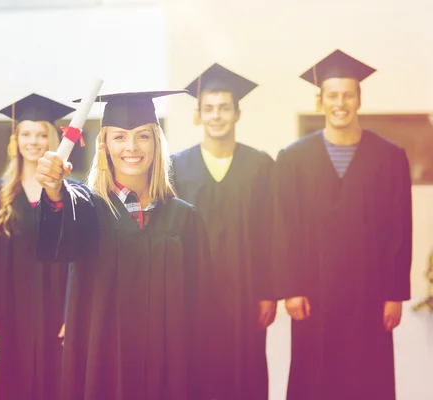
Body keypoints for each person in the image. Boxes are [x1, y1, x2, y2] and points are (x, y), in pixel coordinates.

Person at [35, 90, 218, 400]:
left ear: (156, 143)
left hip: (170, 370)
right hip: (105, 368)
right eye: (120, 137)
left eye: (142, 136)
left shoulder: (184, 217)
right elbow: (59, 231)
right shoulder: (88, 209)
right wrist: (54, 191)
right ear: (104, 146)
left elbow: (204, 307)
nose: (131, 147)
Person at [273, 49, 413, 400]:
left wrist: (395, 294)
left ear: (359, 99)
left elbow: (400, 229)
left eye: (348, 95)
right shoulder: (293, 158)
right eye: (332, 96)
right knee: (314, 380)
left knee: (368, 379)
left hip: (370, 293)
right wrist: (290, 287)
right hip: (313, 293)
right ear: (320, 101)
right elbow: (284, 227)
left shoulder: (390, 157)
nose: (340, 103)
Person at [171, 63, 276, 400]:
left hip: (247, 291)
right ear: (198, 115)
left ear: (238, 113)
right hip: (193, 292)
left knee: (246, 374)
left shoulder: (260, 165)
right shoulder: (177, 166)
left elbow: (272, 231)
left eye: (224, 108)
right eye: (209, 109)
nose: (216, 116)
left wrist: (269, 292)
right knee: (196, 373)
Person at [0, 92, 76, 400]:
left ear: (51, 139)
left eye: (41, 134)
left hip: (55, 306)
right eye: (26, 134)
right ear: (15, 139)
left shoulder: (68, 192)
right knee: (16, 382)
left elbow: (78, 257)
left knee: (57, 380)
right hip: (14, 309)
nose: (33, 141)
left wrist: (72, 310)